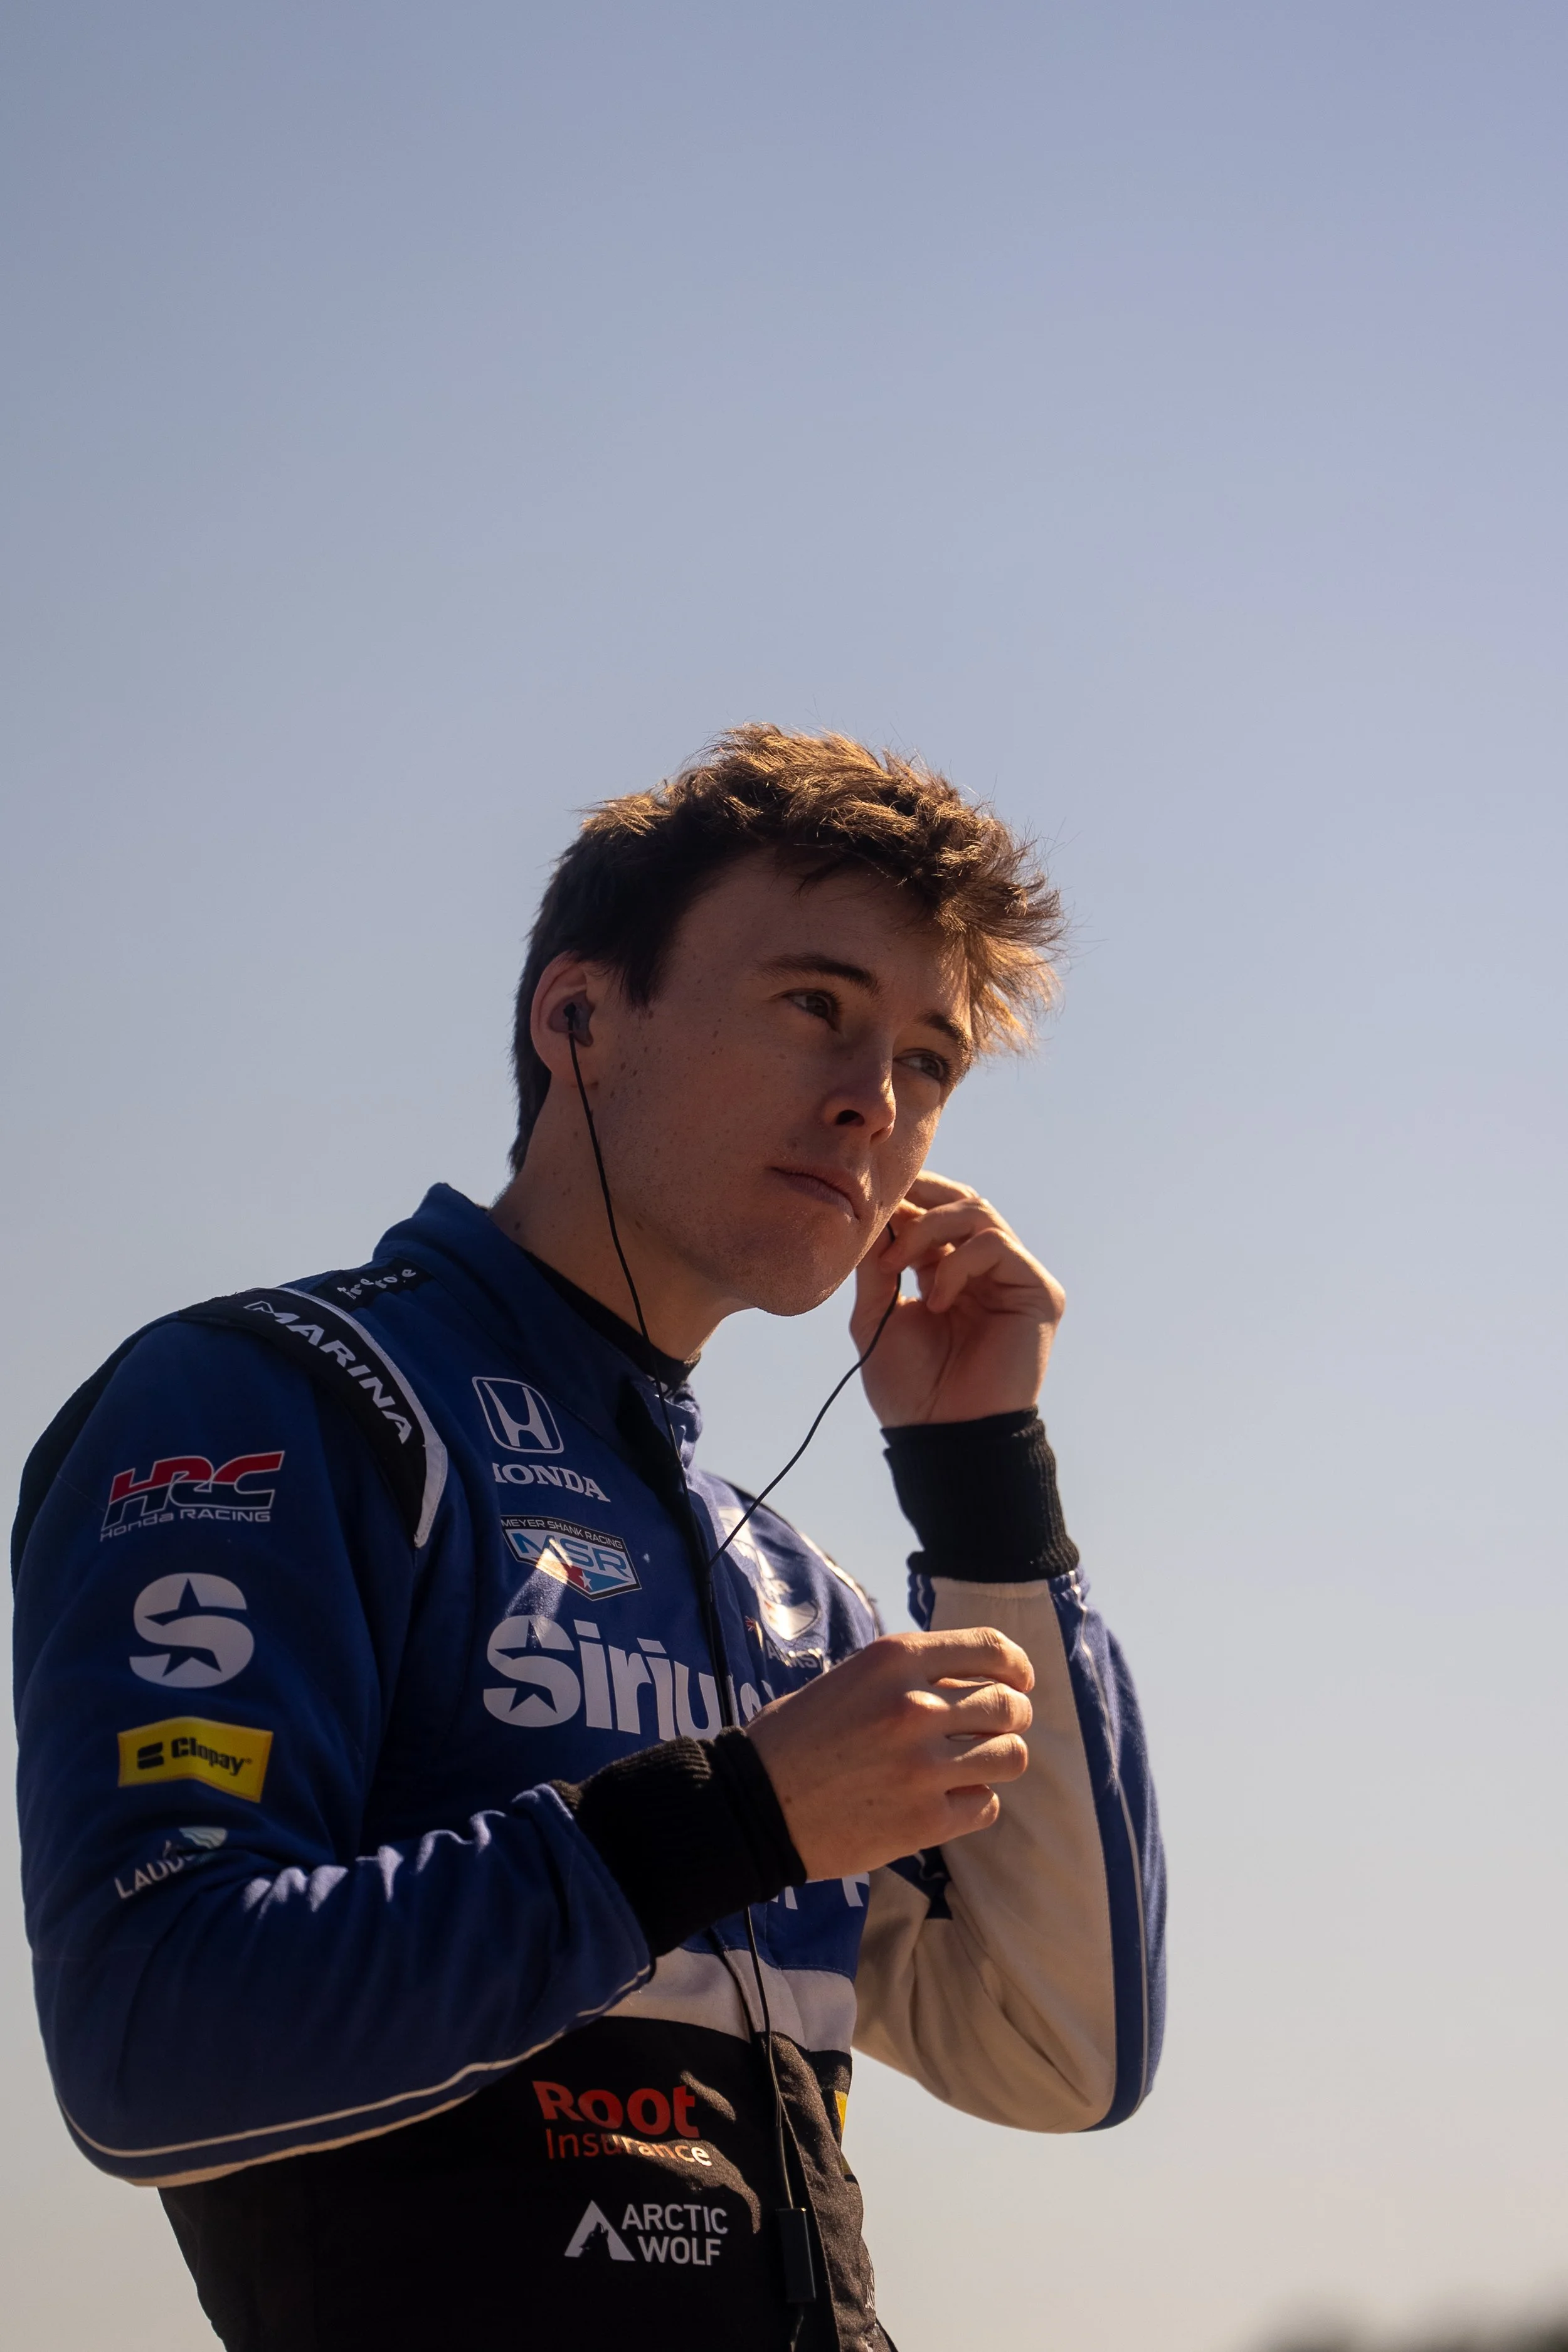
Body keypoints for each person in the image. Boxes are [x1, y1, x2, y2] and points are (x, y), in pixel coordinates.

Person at [13, 724, 1165, 2352]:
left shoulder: (783, 1589)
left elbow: (1062, 2047)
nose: (869, 1102)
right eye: (814, 1006)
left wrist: (980, 1477)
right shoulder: (280, 1400)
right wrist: (732, 1815)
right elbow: (153, 2042)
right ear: (580, 1017)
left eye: (927, 1060)